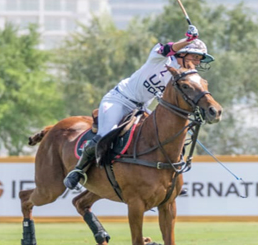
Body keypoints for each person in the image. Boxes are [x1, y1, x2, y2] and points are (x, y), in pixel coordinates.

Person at [63, 25, 215, 190]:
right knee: (105, 134)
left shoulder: (182, 76)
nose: (198, 62)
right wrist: (188, 40)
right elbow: (167, 48)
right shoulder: (159, 58)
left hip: (140, 108)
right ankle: (78, 171)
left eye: (199, 59)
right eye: (195, 57)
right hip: (119, 100)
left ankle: (169, 179)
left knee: (162, 136)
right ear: (182, 53)